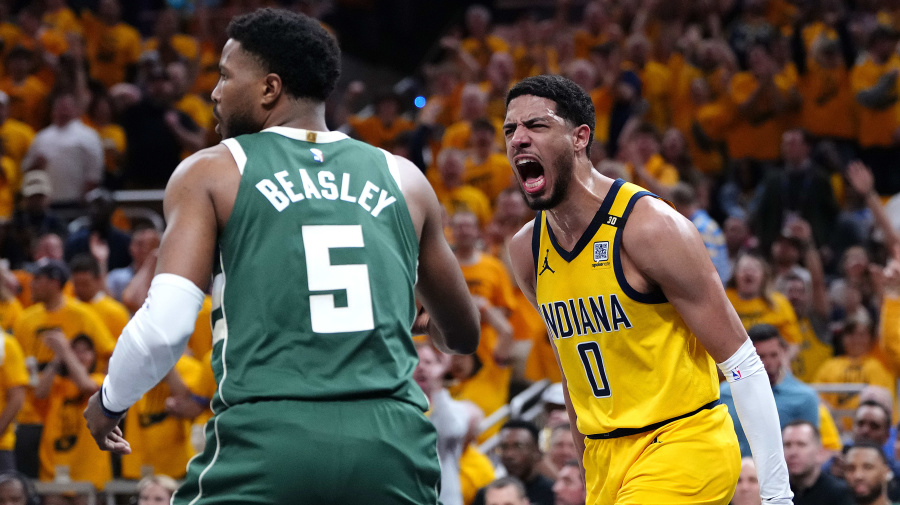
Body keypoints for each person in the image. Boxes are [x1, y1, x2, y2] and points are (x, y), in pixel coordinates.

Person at [83, 8, 479, 505]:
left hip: (268, 440)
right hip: (392, 447)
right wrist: (422, 323)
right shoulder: (404, 178)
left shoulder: (211, 172)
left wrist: (109, 401)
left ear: (270, 89)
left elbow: (164, 327)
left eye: (226, 76)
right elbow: (462, 335)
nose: (215, 91)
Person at [503, 74, 791, 504]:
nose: (519, 139)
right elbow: (573, 373)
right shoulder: (526, 250)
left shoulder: (650, 227)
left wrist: (777, 496)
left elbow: (743, 362)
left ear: (580, 137)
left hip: (683, 442)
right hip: (606, 459)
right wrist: (588, 473)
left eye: (537, 125)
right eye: (510, 130)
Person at [720, 323, 820, 456]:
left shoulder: (804, 397)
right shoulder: (726, 394)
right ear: (746, 357)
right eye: (761, 356)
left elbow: (810, 451)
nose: (768, 363)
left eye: (774, 355)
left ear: (784, 353)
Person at [472, 420, 555, 505]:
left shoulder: (554, 494)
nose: (509, 454)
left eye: (518, 446)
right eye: (504, 447)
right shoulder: (486, 494)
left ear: (536, 451)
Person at [782, 420, 853, 505]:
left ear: (819, 451)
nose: (793, 452)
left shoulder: (840, 493)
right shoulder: (775, 493)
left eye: (801, 444)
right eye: (787, 445)